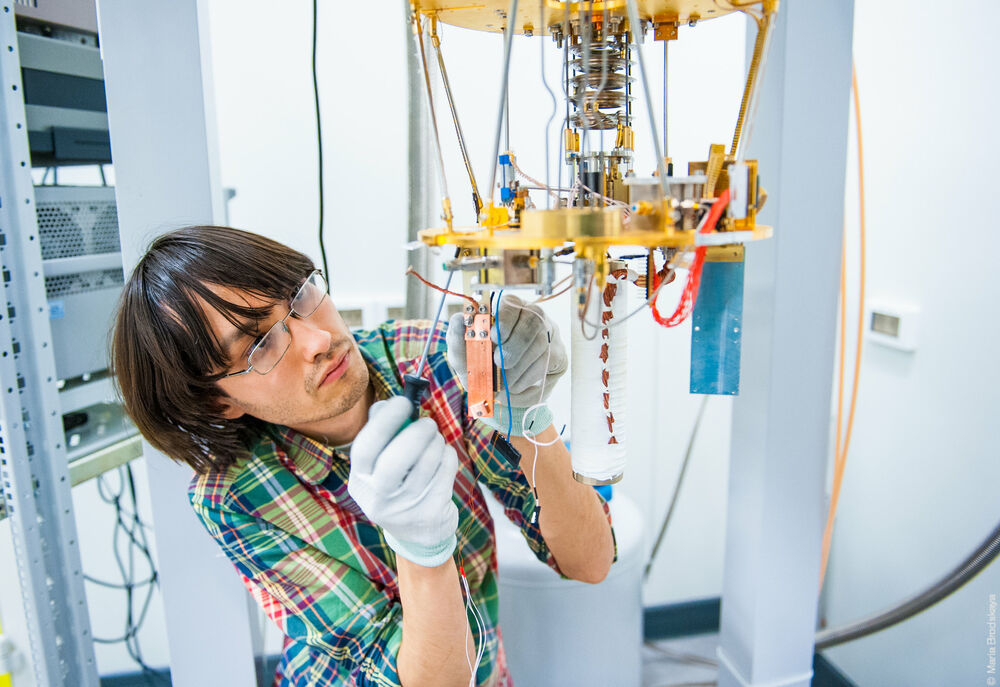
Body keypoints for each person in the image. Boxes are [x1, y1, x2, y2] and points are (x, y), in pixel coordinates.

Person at [111, 225, 616, 686]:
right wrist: (421, 548)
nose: (319, 339)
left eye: (301, 296)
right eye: (260, 345)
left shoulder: (432, 359)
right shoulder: (235, 496)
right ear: (219, 402)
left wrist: (527, 419)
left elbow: (590, 562)